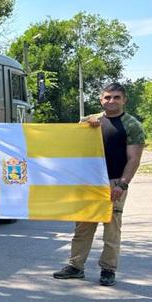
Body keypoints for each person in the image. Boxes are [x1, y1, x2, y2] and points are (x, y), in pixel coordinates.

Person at [53, 82, 145, 286]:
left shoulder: (132, 125)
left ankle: (108, 270)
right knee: (83, 226)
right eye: (107, 97)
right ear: (101, 99)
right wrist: (86, 125)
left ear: (124, 100)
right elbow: (70, 142)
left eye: (116, 97)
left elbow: (134, 159)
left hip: (114, 182)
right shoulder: (89, 121)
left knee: (111, 228)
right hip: (88, 182)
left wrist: (122, 185)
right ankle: (76, 266)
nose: (111, 101)